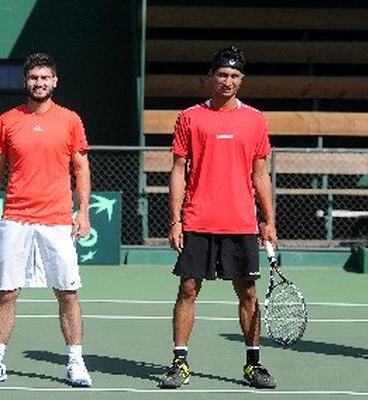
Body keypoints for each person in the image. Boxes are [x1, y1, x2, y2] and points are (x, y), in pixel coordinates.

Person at [0, 53, 92, 387]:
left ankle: (76, 362)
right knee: (7, 293)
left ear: (55, 81)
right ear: (26, 82)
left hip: (56, 220)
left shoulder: (70, 120)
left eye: (45, 77)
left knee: (67, 293)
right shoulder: (7, 120)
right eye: (33, 78)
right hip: (16, 219)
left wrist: (83, 212)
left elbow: (81, 168)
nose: (39, 83)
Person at [158, 46, 277, 389]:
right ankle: (179, 363)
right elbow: (178, 171)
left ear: (242, 80)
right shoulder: (190, 118)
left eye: (234, 76)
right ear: (210, 77)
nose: (228, 81)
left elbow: (260, 175)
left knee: (248, 293)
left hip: (240, 221)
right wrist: (176, 220)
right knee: (188, 289)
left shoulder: (255, 119)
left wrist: (268, 220)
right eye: (222, 75)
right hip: (197, 220)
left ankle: (253, 364)